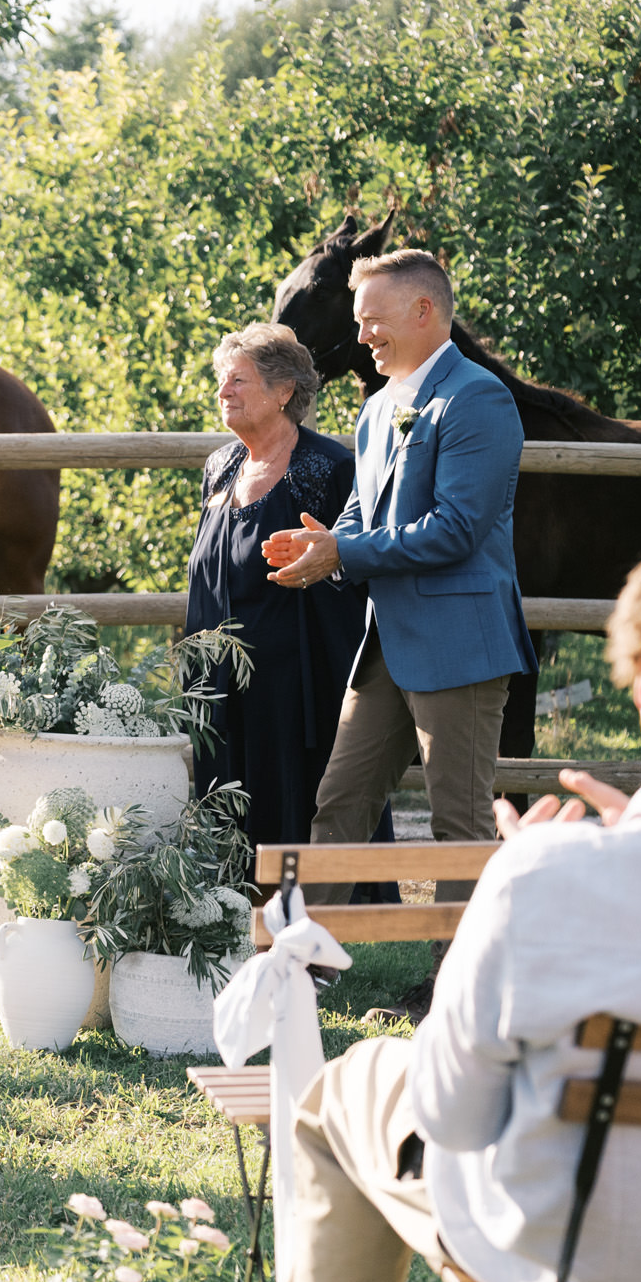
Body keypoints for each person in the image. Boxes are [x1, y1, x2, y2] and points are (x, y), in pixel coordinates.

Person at [260, 511, 641, 1282]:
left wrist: (532, 883)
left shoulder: (551, 878)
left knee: (344, 1095)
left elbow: (452, 1115)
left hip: (561, 1262)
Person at [263, 249, 536, 904]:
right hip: (385, 644)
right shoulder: (380, 407)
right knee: (341, 802)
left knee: (460, 824)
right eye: (359, 323)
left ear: (424, 310)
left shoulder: (479, 398)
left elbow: (456, 529)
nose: (361, 337)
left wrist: (344, 554)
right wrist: (325, 543)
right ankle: (302, 963)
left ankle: (456, 988)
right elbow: (361, 515)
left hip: (461, 645)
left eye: (373, 320)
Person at [186, 324, 368, 848]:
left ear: (284, 390)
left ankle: (311, 904)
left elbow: (352, 569)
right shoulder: (220, 466)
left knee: (297, 802)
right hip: (218, 680)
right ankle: (227, 906)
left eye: (238, 380)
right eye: (222, 380)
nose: (224, 392)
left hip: (298, 683)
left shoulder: (327, 467)